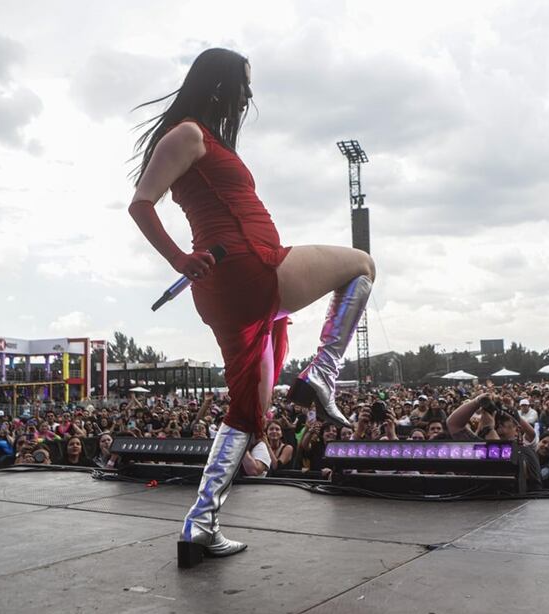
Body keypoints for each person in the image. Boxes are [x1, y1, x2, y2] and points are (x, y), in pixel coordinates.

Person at [128, 48, 375, 566]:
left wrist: (186, 261)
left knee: (247, 411)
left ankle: (200, 524)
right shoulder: (189, 134)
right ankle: (323, 372)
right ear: (219, 84)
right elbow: (140, 203)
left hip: (231, 282)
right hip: (248, 266)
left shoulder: (201, 137)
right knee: (361, 266)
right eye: (244, 83)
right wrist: (179, 259)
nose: (249, 94)